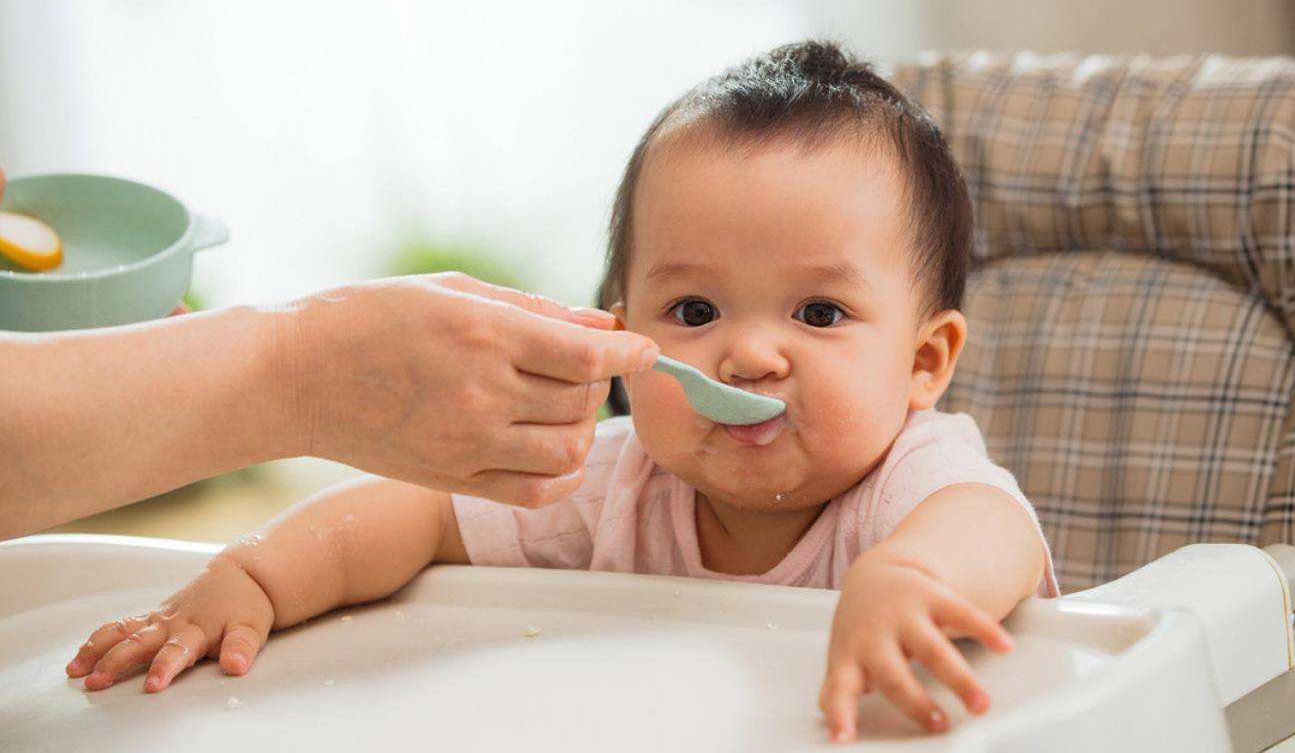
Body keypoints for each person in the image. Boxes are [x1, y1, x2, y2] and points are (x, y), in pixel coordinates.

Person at [66, 42, 1058, 742]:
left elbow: (989, 528)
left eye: (818, 313)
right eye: (695, 308)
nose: (749, 356)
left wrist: (909, 583)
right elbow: (416, 513)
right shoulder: (619, 479)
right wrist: (255, 575)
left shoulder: (906, 489)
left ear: (924, 363)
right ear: (619, 327)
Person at [0, 165, 659, 540]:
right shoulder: (606, 490)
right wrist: (295, 374)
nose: (756, 355)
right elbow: (407, 526)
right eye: (696, 311)